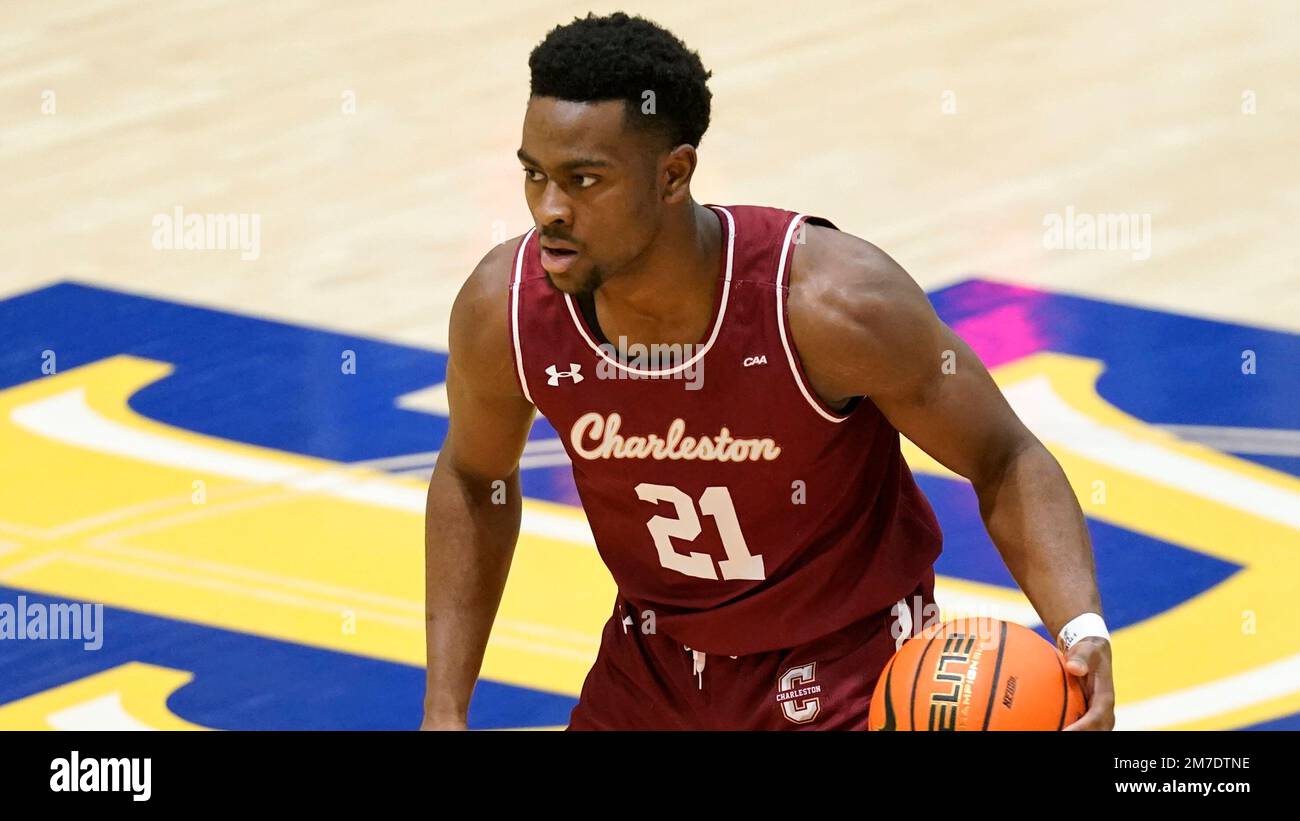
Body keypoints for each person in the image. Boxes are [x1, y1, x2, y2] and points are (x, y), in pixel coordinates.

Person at [421, 12, 1114, 730]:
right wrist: (445, 707)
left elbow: (1003, 454)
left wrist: (1080, 627)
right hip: (654, 663)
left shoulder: (829, 303)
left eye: (584, 179)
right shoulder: (502, 313)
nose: (549, 209)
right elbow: (474, 476)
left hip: (848, 667)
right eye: (534, 175)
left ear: (673, 175)